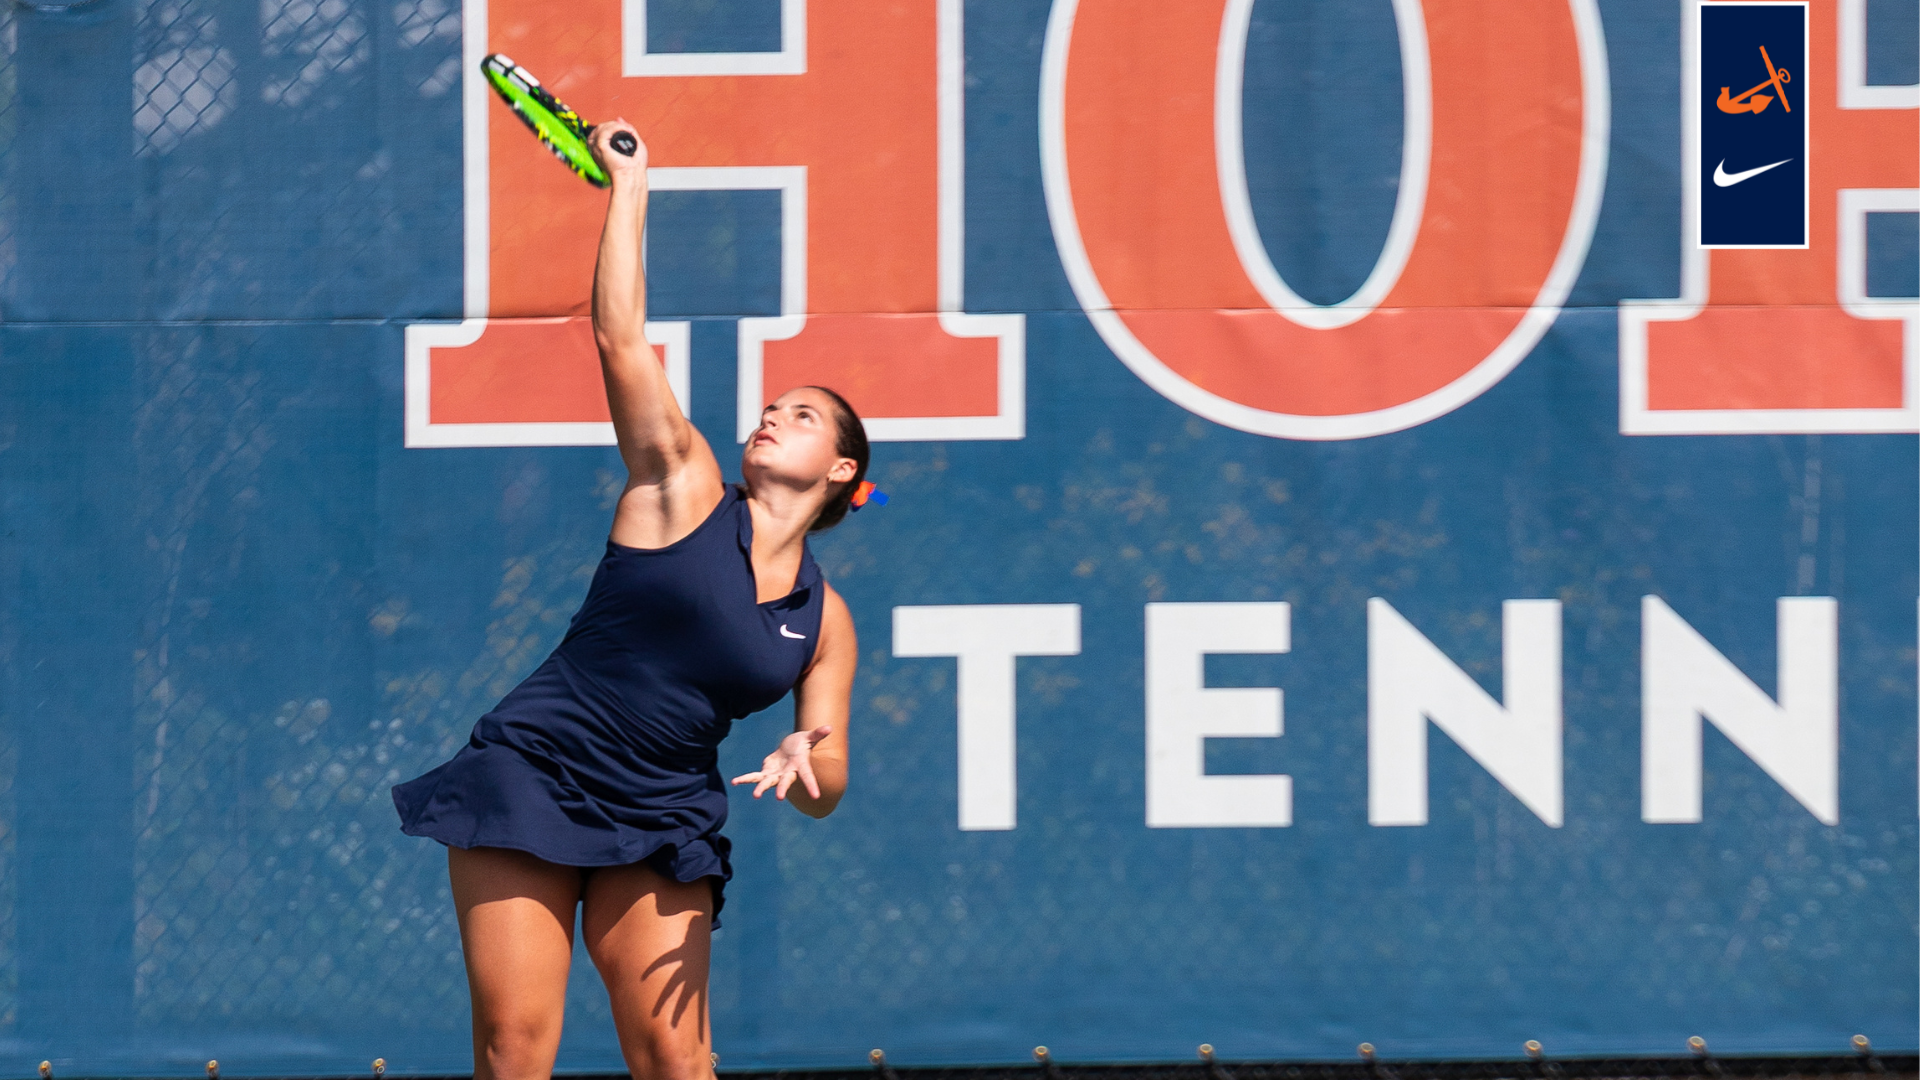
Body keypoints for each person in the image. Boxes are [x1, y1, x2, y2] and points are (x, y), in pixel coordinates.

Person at [391, 119, 866, 1080]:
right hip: (536, 771)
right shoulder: (679, 484)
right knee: (517, 1049)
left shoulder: (826, 619)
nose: (774, 414)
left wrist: (805, 757)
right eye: (773, 407)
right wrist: (630, 190)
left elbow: (829, 780)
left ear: (841, 470)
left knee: (675, 1061)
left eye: (804, 415)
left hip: (662, 808)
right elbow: (619, 338)